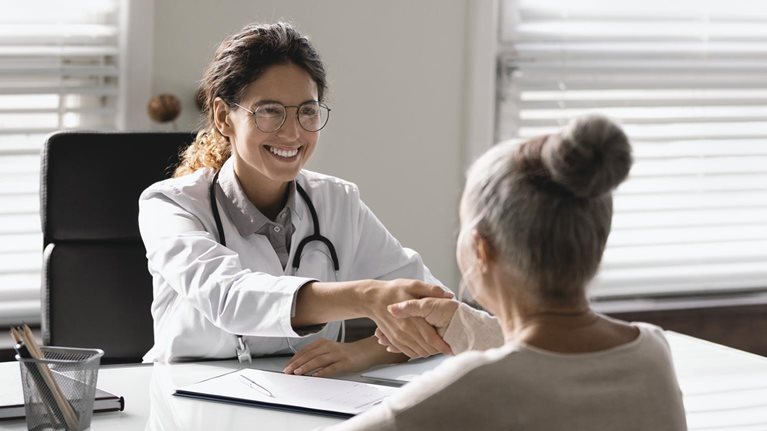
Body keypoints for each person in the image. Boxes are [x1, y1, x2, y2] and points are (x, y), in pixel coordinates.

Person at [328, 115, 687, 430]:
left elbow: (520, 377)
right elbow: (553, 363)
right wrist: (462, 326)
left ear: (481, 249)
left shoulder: (463, 389)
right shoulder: (652, 352)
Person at [138, 22, 453, 374]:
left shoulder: (337, 201)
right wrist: (367, 297)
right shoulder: (170, 206)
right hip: (187, 405)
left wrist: (361, 353)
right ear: (224, 117)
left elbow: (438, 313)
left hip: (309, 401)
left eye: (307, 111)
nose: (292, 133)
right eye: (269, 111)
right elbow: (229, 297)